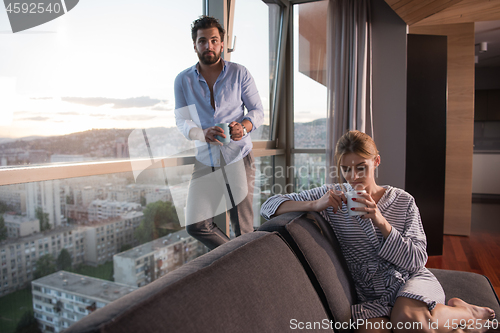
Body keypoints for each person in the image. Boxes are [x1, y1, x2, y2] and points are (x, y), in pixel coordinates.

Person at [260, 130, 495, 333]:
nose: (353, 177)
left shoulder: (403, 201)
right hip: (370, 291)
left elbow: (416, 261)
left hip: (408, 280)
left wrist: (380, 220)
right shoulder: (333, 196)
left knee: (409, 322)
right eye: (346, 169)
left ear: (377, 162)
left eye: (361, 167)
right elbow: (268, 206)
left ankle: (466, 313)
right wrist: (315, 205)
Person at [174, 16, 264, 250]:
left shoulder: (239, 73)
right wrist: (200, 133)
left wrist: (243, 127)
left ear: (222, 44)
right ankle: (235, 258)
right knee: (196, 224)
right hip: (205, 160)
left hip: (237, 157)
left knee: (243, 229)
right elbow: (182, 120)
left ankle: (246, 271)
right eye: (202, 41)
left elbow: (257, 111)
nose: (209, 46)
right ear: (194, 45)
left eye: (214, 40)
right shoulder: (182, 80)